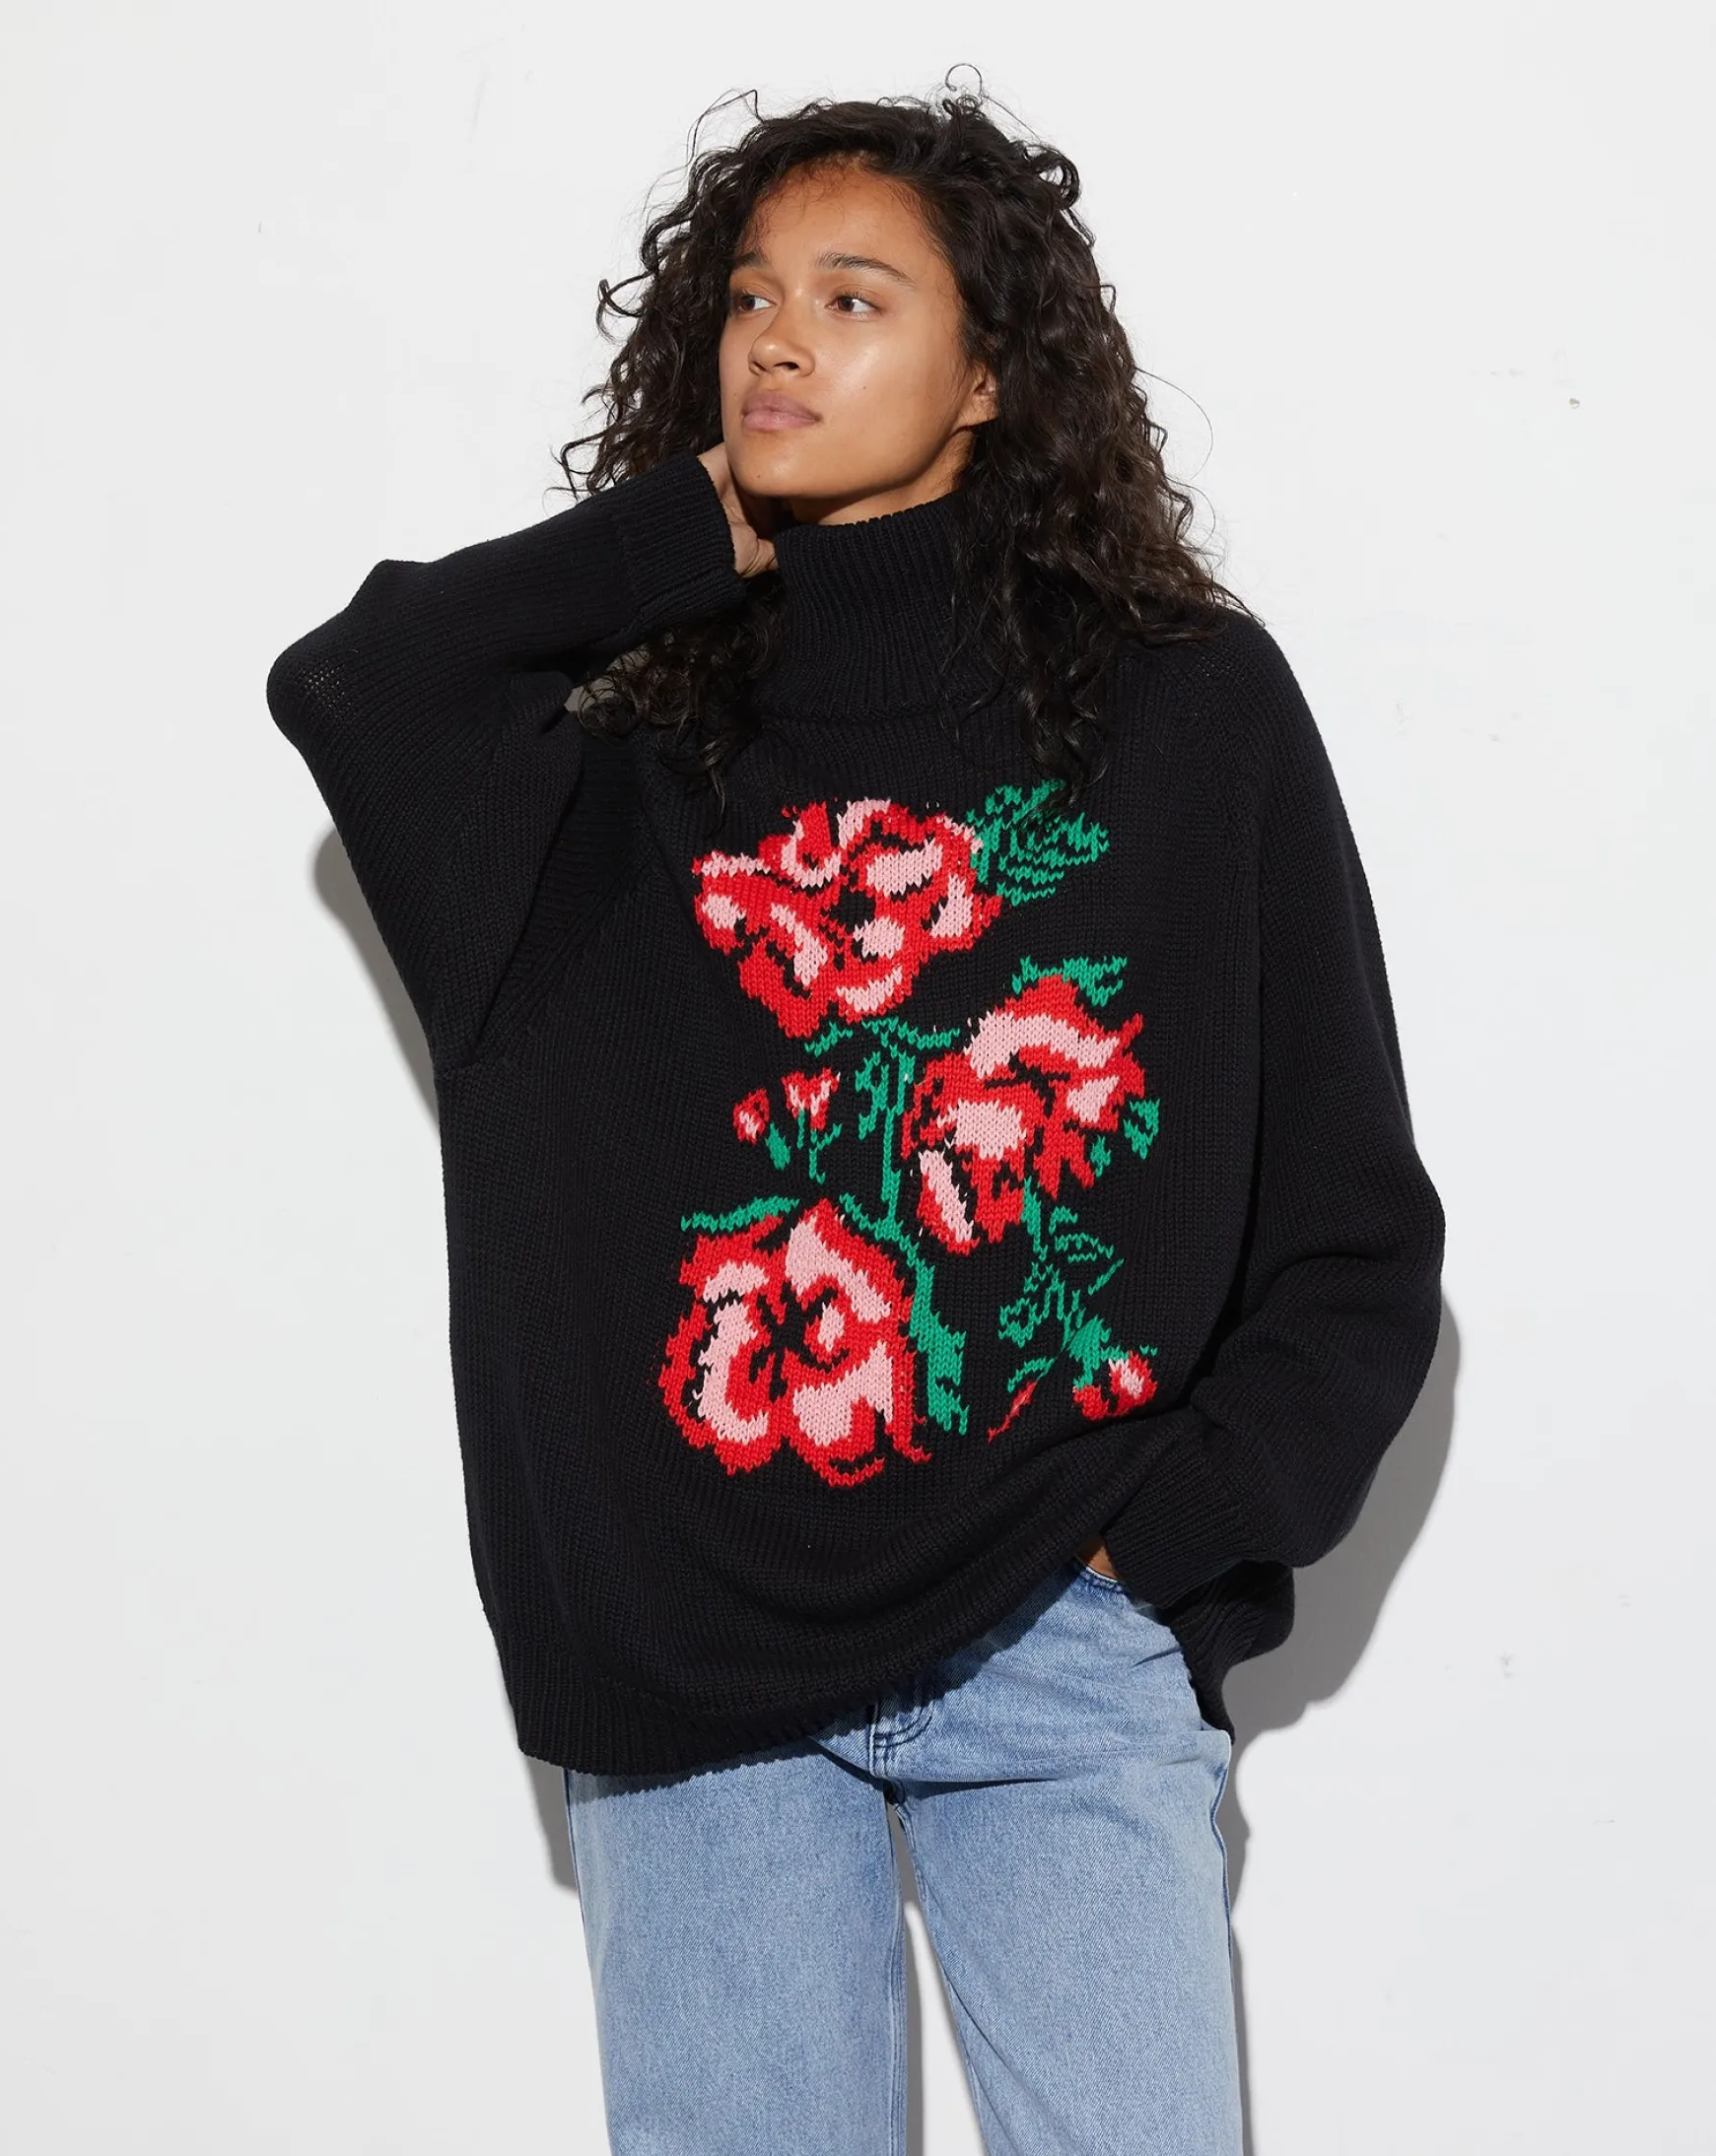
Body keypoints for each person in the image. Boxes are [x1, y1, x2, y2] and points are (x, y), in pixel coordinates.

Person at [266, 82, 1445, 2156]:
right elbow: (355, 685)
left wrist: (1167, 1534)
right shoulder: (606, 766)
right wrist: (673, 534)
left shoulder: (1184, 708)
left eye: (851, 297)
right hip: (693, 1683)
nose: (779, 343)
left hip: (1059, 1634)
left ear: (988, 373)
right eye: (747, 299)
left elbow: (1352, 1221)